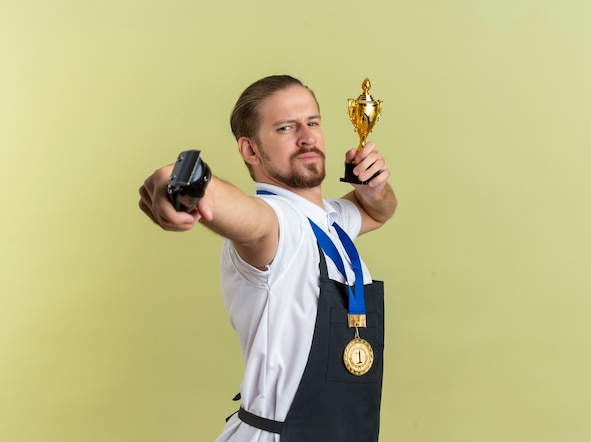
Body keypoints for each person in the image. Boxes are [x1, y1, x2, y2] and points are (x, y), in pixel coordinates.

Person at [138, 75, 397, 441]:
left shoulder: (333, 220)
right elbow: (239, 212)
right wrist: (174, 179)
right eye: (286, 127)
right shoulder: (275, 224)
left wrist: (375, 189)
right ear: (250, 151)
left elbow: (379, 212)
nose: (307, 137)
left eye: (312, 123)